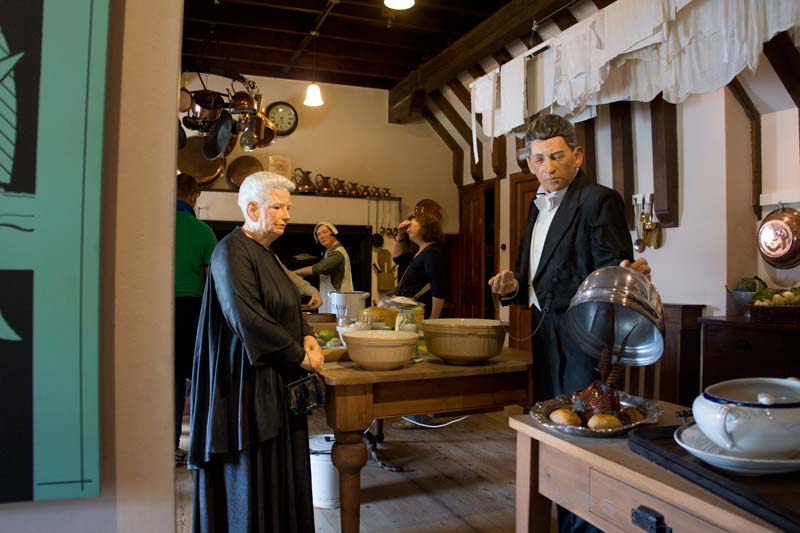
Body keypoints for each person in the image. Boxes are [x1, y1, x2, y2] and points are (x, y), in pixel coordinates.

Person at [488, 114, 650, 533]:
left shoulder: (599, 200)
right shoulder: (535, 204)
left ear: (577, 155)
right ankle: (564, 521)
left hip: (583, 335)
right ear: (529, 163)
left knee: (585, 435)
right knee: (551, 427)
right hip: (544, 331)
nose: (549, 168)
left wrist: (630, 272)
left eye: (557, 157)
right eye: (539, 159)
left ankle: (587, 527)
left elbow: (611, 271)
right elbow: (531, 274)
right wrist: (511, 286)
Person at [188, 171, 324, 533]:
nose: (287, 215)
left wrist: (308, 336)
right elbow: (247, 319)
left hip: (274, 380)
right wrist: (299, 355)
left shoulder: (266, 253)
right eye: (278, 207)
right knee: (253, 479)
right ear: (251, 208)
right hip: (245, 387)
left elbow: (286, 306)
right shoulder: (230, 252)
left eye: (288, 207)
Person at [174, 173, 217, 465]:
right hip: (190, 308)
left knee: (170, 379)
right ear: (193, 198)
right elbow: (211, 280)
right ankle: (202, 442)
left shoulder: (150, 224)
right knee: (199, 374)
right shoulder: (203, 231)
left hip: (154, 308)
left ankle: (168, 444)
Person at [390, 213, 446, 320]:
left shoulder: (432, 252)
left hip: (420, 313)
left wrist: (433, 319)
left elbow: (438, 288)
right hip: (410, 312)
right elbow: (397, 258)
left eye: (410, 225)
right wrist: (400, 236)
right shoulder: (420, 252)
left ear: (424, 227)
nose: (407, 230)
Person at [293, 221, 353, 314]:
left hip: (339, 301)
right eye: (318, 234)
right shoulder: (328, 252)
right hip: (330, 299)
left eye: (324, 232)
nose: (321, 236)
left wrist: (295, 273)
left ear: (332, 232)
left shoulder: (338, 253)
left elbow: (320, 268)